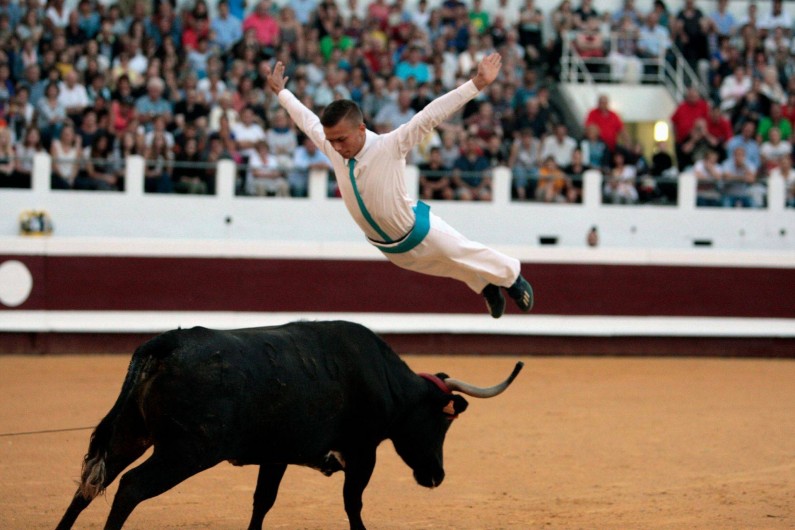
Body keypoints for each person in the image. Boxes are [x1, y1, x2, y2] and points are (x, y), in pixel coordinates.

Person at [264, 53, 533, 318]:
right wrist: (281, 93)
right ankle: (485, 286)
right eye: (331, 140)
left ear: (360, 129)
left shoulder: (389, 145)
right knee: (445, 267)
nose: (335, 146)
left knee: (459, 250)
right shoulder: (332, 145)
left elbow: (430, 115)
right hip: (389, 247)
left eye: (341, 139)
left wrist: (477, 84)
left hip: (419, 229)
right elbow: (306, 120)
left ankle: (512, 277)